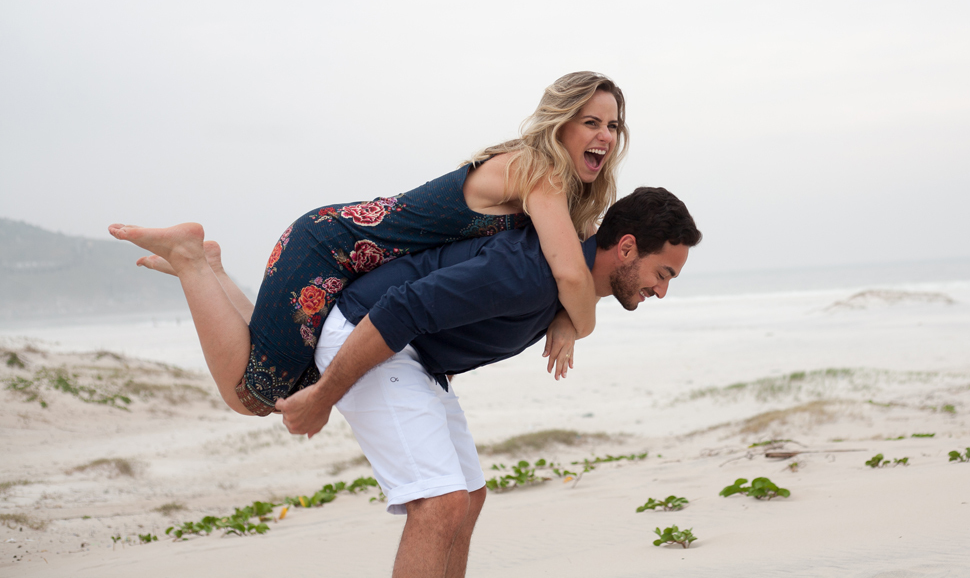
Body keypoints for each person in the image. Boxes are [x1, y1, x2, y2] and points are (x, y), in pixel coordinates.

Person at [107, 72, 627, 416]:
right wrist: (583, 322)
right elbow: (573, 277)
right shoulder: (537, 172)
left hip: (353, 268)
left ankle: (211, 269)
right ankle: (191, 261)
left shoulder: (562, 195)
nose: (604, 135)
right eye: (590, 122)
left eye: (613, 125)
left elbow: (572, 268)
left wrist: (565, 319)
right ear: (560, 124)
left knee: (284, 368)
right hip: (327, 248)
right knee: (255, 397)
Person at [278, 186, 701, 578]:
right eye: (662, 274)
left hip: (416, 354)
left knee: (468, 498)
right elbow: (402, 308)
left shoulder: (567, 282)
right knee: (439, 503)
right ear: (626, 247)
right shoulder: (528, 275)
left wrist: (568, 322)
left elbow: (576, 290)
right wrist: (323, 396)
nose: (661, 291)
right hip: (366, 330)